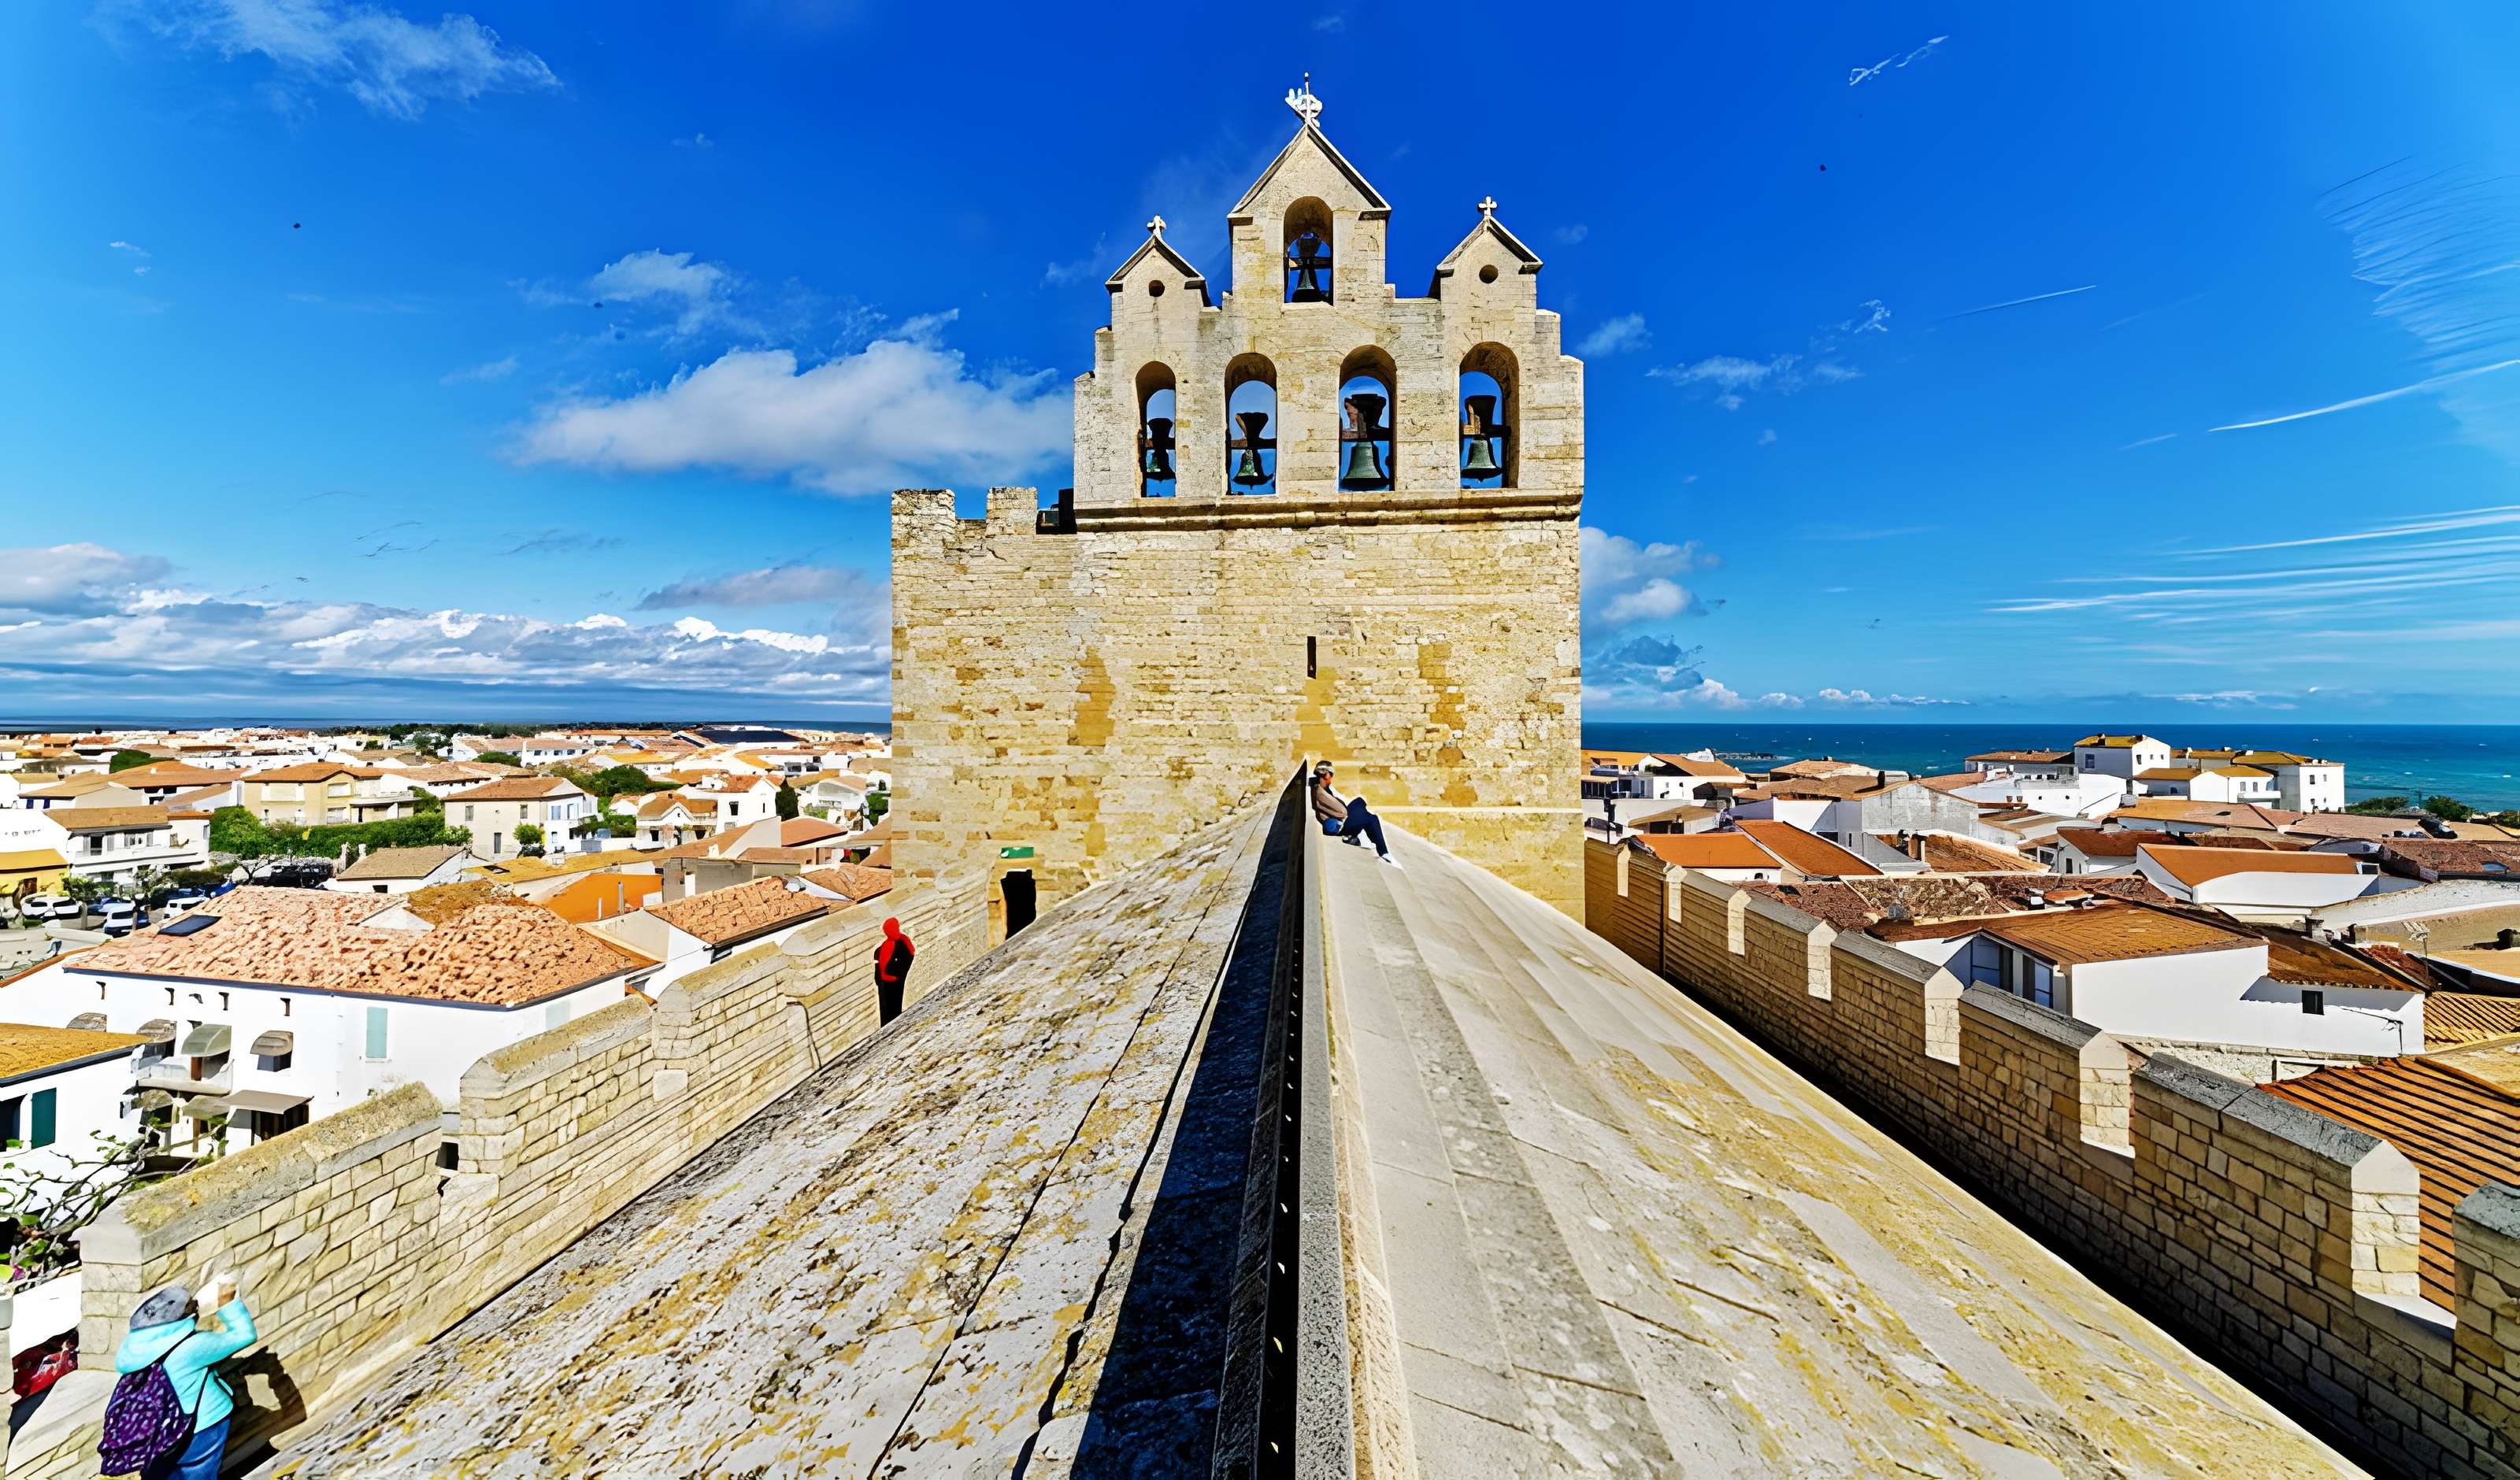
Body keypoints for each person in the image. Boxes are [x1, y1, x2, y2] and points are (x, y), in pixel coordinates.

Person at [116, 1275, 255, 1480]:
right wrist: (228, 1303)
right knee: (198, 1474)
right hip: (201, 1425)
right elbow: (244, 1335)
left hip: (156, 1429)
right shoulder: (191, 1347)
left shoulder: (134, 1352)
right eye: (190, 1307)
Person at [1310, 761, 1399, 867]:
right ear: (1327, 775)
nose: (1331, 778)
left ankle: (1355, 836)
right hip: (1338, 826)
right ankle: (1383, 852)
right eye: (1331, 775)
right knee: (1371, 818)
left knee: (1360, 802)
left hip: (1339, 820)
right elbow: (1342, 812)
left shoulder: (1323, 788)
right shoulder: (1320, 792)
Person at [873, 916, 915, 1024]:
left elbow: (909, 956)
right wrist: (880, 977)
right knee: (886, 1008)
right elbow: (880, 963)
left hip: (896, 980)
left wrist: (898, 975)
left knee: (895, 1006)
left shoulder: (903, 941)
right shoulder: (883, 947)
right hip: (885, 982)